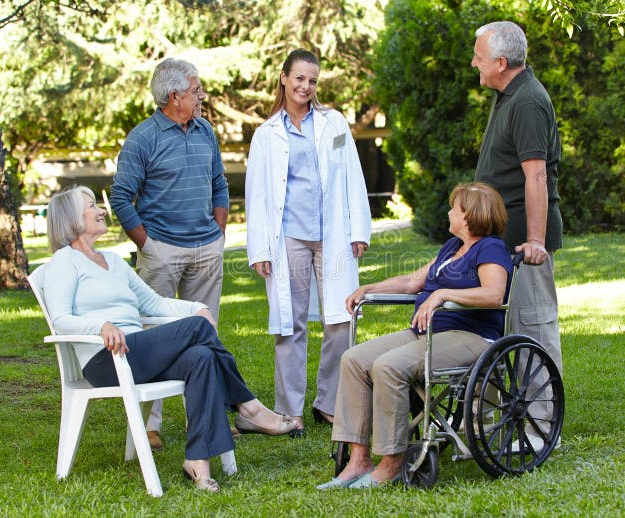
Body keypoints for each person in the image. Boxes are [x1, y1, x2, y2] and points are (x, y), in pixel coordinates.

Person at [43, 186, 297, 493]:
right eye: (92, 205)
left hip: (137, 353)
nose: (101, 210)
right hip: (104, 360)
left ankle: (198, 463)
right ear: (72, 218)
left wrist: (197, 308)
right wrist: (100, 326)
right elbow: (59, 319)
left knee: (201, 358)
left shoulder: (112, 260)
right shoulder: (63, 262)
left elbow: (154, 304)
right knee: (198, 330)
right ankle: (250, 408)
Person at [318, 182, 513, 489]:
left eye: (454, 208)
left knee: (389, 366)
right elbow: (412, 283)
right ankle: (358, 461)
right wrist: (369, 288)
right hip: (428, 333)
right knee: (354, 359)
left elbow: (493, 293)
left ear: (470, 215)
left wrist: (441, 295)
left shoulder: (491, 248)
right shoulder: (452, 248)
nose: (449, 212)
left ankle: (392, 463)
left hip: (471, 336)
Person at [245, 49, 372, 437]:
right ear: (284, 78)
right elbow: (258, 195)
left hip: (332, 235)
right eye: (299, 78)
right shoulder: (267, 134)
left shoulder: (333, 123)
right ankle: (289, 410)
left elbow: (353, 174)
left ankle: (328, 402)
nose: (306, 86)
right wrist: (260, 249)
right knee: (289, 323)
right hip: (289, 239)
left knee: (341, 317)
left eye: (313, 80)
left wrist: (358, 231)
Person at [110, 57, 229, 450]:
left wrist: (217, 232)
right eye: (196, 91)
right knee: (154, 336)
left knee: (206, 333)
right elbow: (121, 197)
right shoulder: (142, 138)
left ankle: (210, 416)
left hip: (206, 248)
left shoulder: (205, 130)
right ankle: (148, 424)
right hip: (162, 251)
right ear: (175, 96)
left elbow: (219, 183)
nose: (202, 97)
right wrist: (148, 244)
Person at [471, 21, 563, 451]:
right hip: (498, 240)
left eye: (480, 57)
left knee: (533, 329)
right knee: (497, 329)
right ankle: (495, 423)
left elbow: (536, 176)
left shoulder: (528, 101)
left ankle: (542, 429)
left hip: (525, 243)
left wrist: (537, 243)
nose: (475, 63)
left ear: (501, 63)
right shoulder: (507, 94)